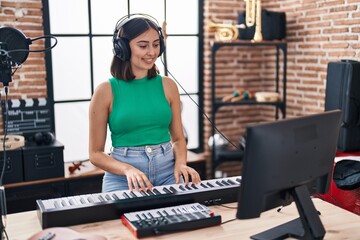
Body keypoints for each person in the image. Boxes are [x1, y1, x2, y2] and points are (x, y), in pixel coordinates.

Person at [89, 14, 201, 193]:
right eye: (143, 45)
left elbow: (178, 139)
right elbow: (95, 154)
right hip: (123, 178)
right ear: (122, 48)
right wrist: (128, 169)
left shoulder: (168, 86)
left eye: (156, 45)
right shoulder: (105, 91)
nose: (152, 52)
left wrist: (181, 164)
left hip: (168, 172)